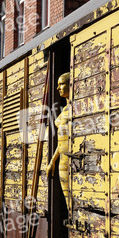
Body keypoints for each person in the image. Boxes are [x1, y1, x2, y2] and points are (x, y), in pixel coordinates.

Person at [46, 73, 70, 206]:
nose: (57, 88)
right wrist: (52, 161)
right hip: (62, 161)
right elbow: (62, 141)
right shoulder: (65, 108)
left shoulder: (76, 107)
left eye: (61, 84)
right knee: (67, 201)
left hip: (71, 159)